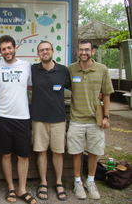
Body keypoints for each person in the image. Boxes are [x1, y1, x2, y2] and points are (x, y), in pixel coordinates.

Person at [0, 35, 36, 204]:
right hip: (1, 116)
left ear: (15, 48)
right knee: (6, 155)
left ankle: (22, 190)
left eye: (9, 48)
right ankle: (11, 188)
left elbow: (30, 86)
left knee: (23, 155)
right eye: (3, 49)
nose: (6, 51)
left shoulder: (26, 66)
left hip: (22, 116)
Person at [67, 39, 114, 200]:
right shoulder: (71, 69)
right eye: (81, 50)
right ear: (77, 51)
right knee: (76, 152)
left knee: (94, 152)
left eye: (87, 50)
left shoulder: (102, 69)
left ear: (92, 51)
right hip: (76, 119)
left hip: (96, 120)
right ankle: (78, 181)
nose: (83, 52)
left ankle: (91, 181)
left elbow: (107, 94)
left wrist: (106, 116)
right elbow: (69, 88)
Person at [30, 41, 71, 201]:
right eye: (41, 50)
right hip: (39, 119)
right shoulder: (33, 69)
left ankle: (59, 182)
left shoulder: (63, 71)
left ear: (53, 51)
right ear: (38, 53)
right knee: (41, 151)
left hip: (59, 119)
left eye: (47, 49)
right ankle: (43, 182)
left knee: (58, 152)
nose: (45, 52)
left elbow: (75, 88)